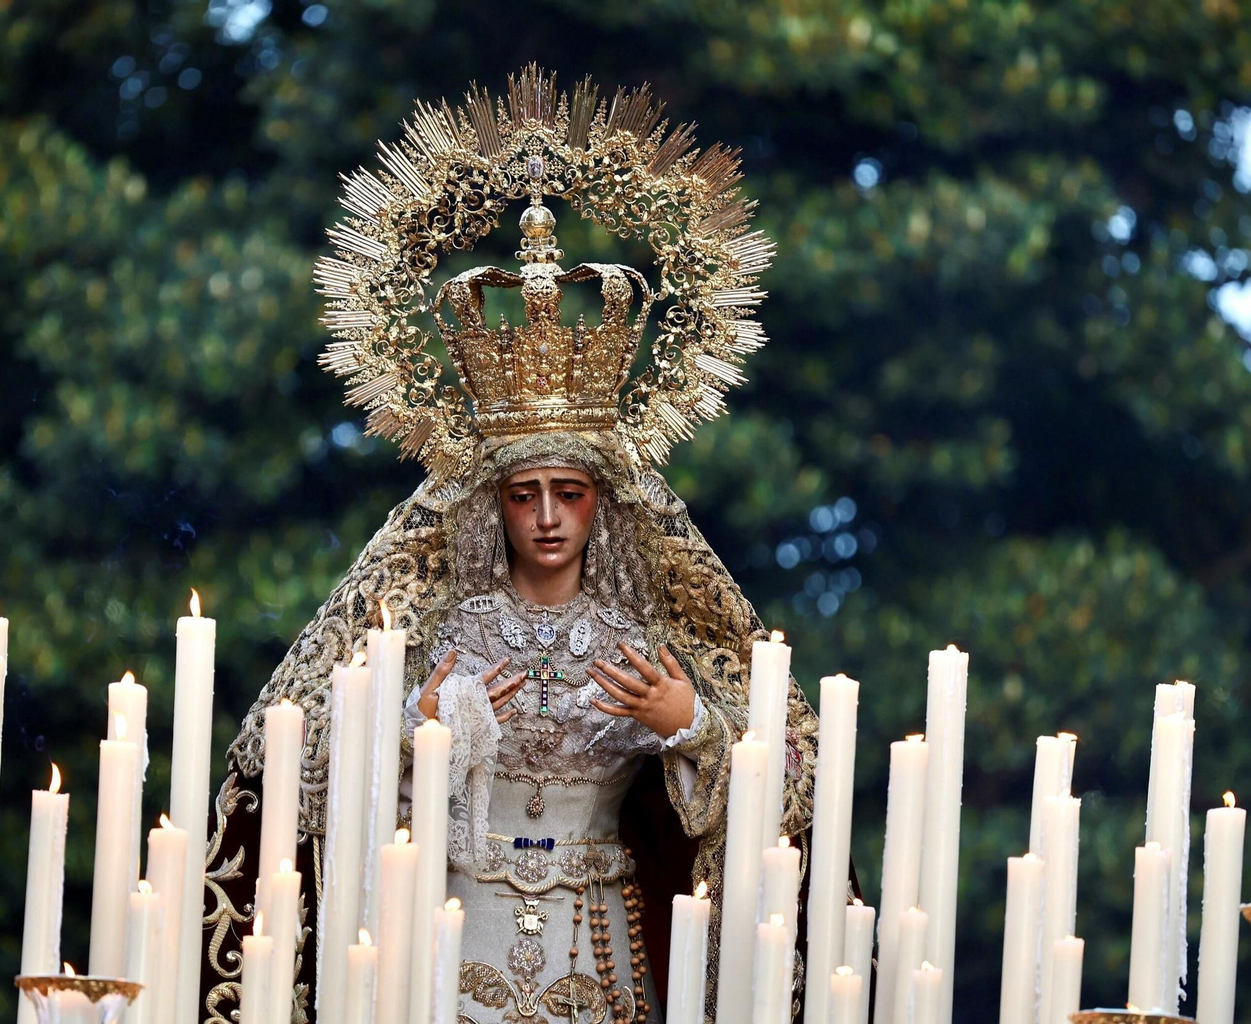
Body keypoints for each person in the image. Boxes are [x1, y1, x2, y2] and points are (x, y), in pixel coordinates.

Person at [202, 65, 830, 1024]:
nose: (545, 517)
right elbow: (309, 765)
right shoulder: (446, 629)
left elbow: (785, 777)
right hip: (455, 936)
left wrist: (691, 723)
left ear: (600, 507)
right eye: (523, 495)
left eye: (568, 495)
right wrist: (412, 727)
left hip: (598, 940)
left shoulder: (639, 636)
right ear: (492, 507)